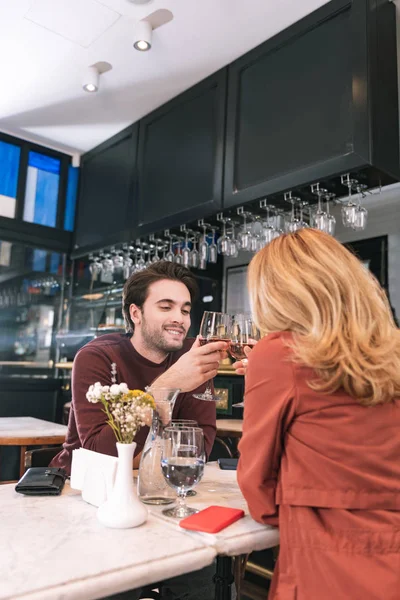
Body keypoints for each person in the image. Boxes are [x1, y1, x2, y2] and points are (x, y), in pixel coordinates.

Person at [235, 228, 400, 600]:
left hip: (330, 565)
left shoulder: (277, 353)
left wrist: (300, 518)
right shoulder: (392, 353)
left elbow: (256, 486)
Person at [52, 261, 228, 600]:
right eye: (166, 306)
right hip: (89, 500)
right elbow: (101, 450)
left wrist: (145, 449)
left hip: (165, 496)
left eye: (186, 309)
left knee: (201, 573)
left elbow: (198, 448)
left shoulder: (194, 359)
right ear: (136, 312)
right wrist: (169, 385)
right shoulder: (97, 357)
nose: (180, 317)